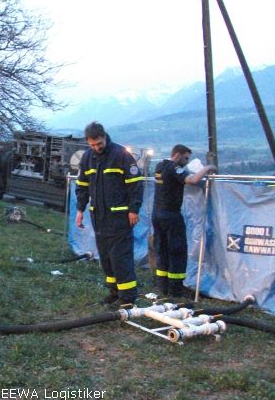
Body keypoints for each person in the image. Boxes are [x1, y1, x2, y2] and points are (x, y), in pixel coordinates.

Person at [75, 122, 144, 306]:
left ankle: (128, 297)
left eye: (99, 144)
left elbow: (135, 183)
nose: (97, 148)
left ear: (105, 137)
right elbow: (82, 185)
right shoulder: (87, 158)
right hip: (98, 217)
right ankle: (114, 292)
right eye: (92, 145)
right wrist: (80, 210)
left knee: (120, 257)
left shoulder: (121, 154)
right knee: (105, 257)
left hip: (120, 217)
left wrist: (133, 210)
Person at [152, 144, 217, 297]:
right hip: (171, 215)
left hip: (157, 214)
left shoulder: (160, 166)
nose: (186, 162)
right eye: (186, 158)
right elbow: (193, 180)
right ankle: (175, 289)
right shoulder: (174, 168)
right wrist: (207, 167)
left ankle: (162, 287)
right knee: (177, 251)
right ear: (178, 155)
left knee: (162, 250)